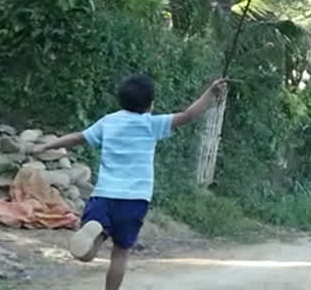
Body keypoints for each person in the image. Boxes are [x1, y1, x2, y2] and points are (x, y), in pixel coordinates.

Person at [30, 75, 228, 290]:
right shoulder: (151, 124)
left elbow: (78, 137)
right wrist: (211, 92)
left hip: (104, 195)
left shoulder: (109, 122)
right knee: (120, 252)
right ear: (150, 104)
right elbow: (188, 115)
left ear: (121, 100)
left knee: (89, 247)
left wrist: (46, 146)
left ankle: (94, 235)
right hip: (135, 199)